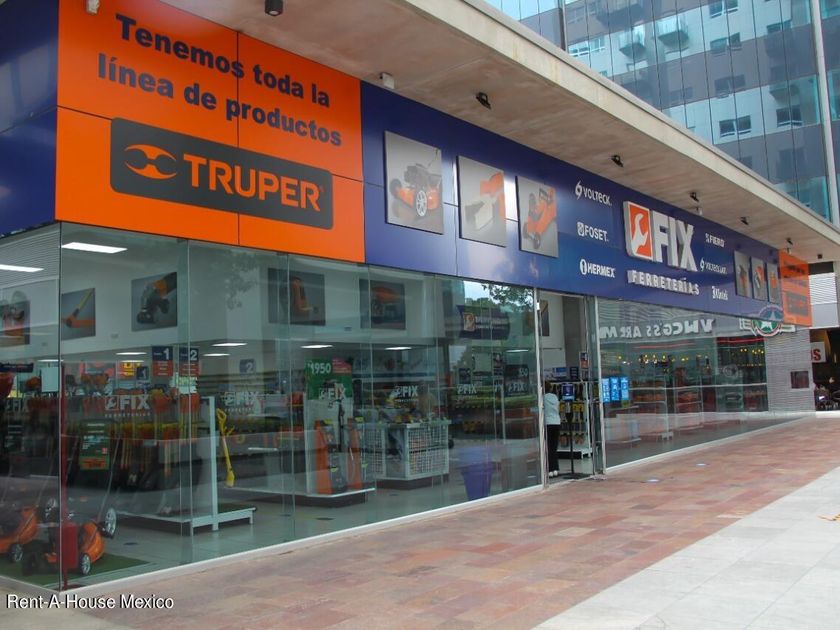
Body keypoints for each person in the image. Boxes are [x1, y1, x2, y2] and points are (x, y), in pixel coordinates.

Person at [543, 384, 561, 478]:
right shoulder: (555, 397)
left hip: (548, 423)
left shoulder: (543, 398)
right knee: (554, 447)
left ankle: (550, 469)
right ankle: (555, 469)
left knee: (548, 447)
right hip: (557, 422)